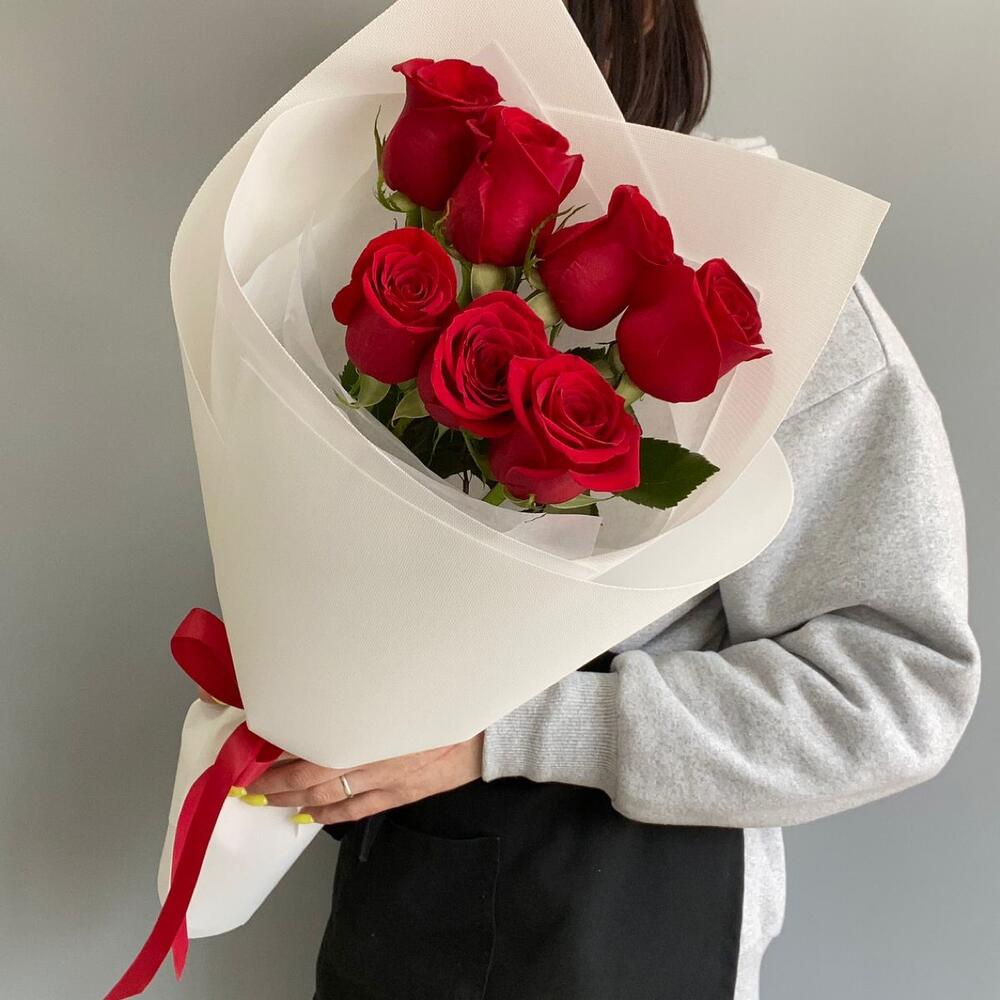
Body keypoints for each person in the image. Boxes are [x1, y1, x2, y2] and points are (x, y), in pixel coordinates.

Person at [238, 3, 981, 997]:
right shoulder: (424, 251)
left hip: (619, 910)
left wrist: (505, 733)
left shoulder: (788, 297)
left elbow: (897, 688)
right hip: (406, 880)